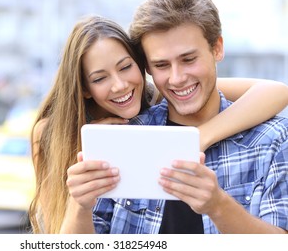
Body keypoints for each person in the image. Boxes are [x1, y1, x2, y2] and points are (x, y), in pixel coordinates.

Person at [29, 14, 288, 234]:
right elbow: (59, 231)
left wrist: (201, 136)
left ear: (142, 66)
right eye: (99, 79)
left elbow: (275, 91)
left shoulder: (163, 92)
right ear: (84, 88)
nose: (119, 85)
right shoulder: (50, 133)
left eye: (125, 67)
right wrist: (79, 204)